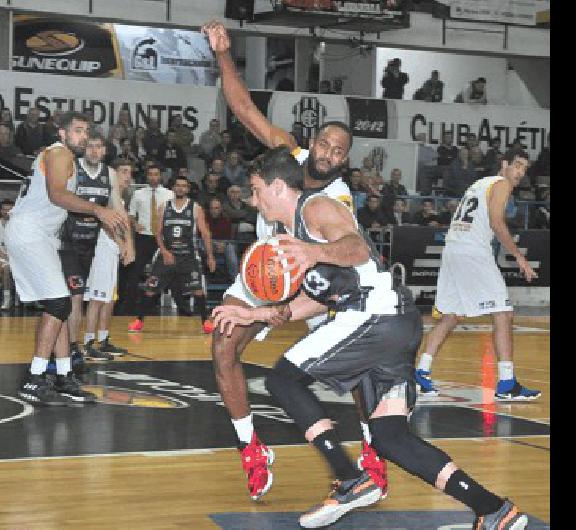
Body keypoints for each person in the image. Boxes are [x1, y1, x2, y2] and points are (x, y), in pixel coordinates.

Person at [212, 146, 530, 530]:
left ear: (278, 186)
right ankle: (493, 508)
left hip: (373, 316)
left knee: (282, 378)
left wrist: (314, 253)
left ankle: (349, 479)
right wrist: (256, 314)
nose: (253, 198)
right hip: (392, 325)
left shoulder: (316, 209)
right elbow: (313, 299)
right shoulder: (292, 232)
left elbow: (356, 248)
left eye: (256, 188)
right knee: (390, 437)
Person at [202, 19, 387, 505]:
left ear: (344, 160)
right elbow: (242, 107)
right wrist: (224, 52)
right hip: (264, 272)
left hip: (312, 282)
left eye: (338, 151)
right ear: (315, 141)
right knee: (223, 349)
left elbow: (349, 252)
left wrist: (313, 259)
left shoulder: (337, 198)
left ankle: (370, 454)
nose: (327, 154)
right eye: (325, 144)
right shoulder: (288, 154)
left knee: (354, 373)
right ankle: (251, 448)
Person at [5, 111, 126, 406]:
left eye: (87, 131)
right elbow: (57, 195)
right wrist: (97, 210)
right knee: (59, 303)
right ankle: (34, 378)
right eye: (78, 131)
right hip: (29, 232)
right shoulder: (58, 154)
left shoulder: (66, 158)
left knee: (59, 303)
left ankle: (62, 375)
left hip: (43, 235)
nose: (83, 136)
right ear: (62, 133)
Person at [415, 151, 541, 402]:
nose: (520, 173)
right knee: (503, 313)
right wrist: (518, 255)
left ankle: (421, 371)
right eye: (517, 166)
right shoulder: (501, 184)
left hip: (453, 248)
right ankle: (506, 382)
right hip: (472, 251)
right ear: (504, 164)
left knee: (452, 315)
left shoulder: (478, 184)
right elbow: (496, 222)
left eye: (524, 169)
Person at [59, 133, 133, 369]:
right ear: (83, 149)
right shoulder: (72, 168)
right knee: (76, 296)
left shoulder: (108, 174)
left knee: (97, 296)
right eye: (89, 146)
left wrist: (127, 242)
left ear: (104, 151)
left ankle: (79, 344)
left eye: (98, 147)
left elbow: (118, 209)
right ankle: (72, 346)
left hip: (92, 243)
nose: (93, 150)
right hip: (67, 242)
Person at [127, 176, 216, 333]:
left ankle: (205, 322)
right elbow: (157, 232)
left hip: (188, 256)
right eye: (178, 185)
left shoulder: (195, 208)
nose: (181, 188)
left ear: (188, 189)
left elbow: (206, 233)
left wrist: (210, 256)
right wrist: (164, 251)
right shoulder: (164, 207)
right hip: (167, 254)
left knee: (198, 290)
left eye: (184, 186)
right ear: (173, 188)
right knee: (150, 288)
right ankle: (139, 320)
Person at [83, 159, 136, 359]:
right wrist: (124, 245)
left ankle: (103, 340)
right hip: (102, 251)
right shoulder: (106, 196)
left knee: (110, 299)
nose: (127, 176)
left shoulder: (121, 200)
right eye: (123, 171)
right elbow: (106, 224)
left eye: (129, 172)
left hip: (113, 251)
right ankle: (88, 342)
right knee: (97, 299)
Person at [122, 164, 174, 315]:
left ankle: (153, 304)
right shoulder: (138, 194)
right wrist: (135, 223)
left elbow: (171, 216)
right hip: (143, 237)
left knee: (159, 272)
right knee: (135, 271)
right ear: (147, 176)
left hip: (161, 237)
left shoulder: (169, 194)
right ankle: (129, 307)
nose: (153, 177)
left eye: (156, 174)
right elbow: (131, 214)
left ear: (160, 176)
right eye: (150, 174)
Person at [206, 197, 238, 279]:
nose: (214, 210)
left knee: (231, 248)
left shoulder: (226, 219)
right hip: (208, 244)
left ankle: (234, 279)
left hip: (224, 243)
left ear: (220, 209)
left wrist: (224, 244)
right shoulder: (204, 219)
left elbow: (229, 237)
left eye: (216, 208)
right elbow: (201, 235)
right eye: (212, 208)